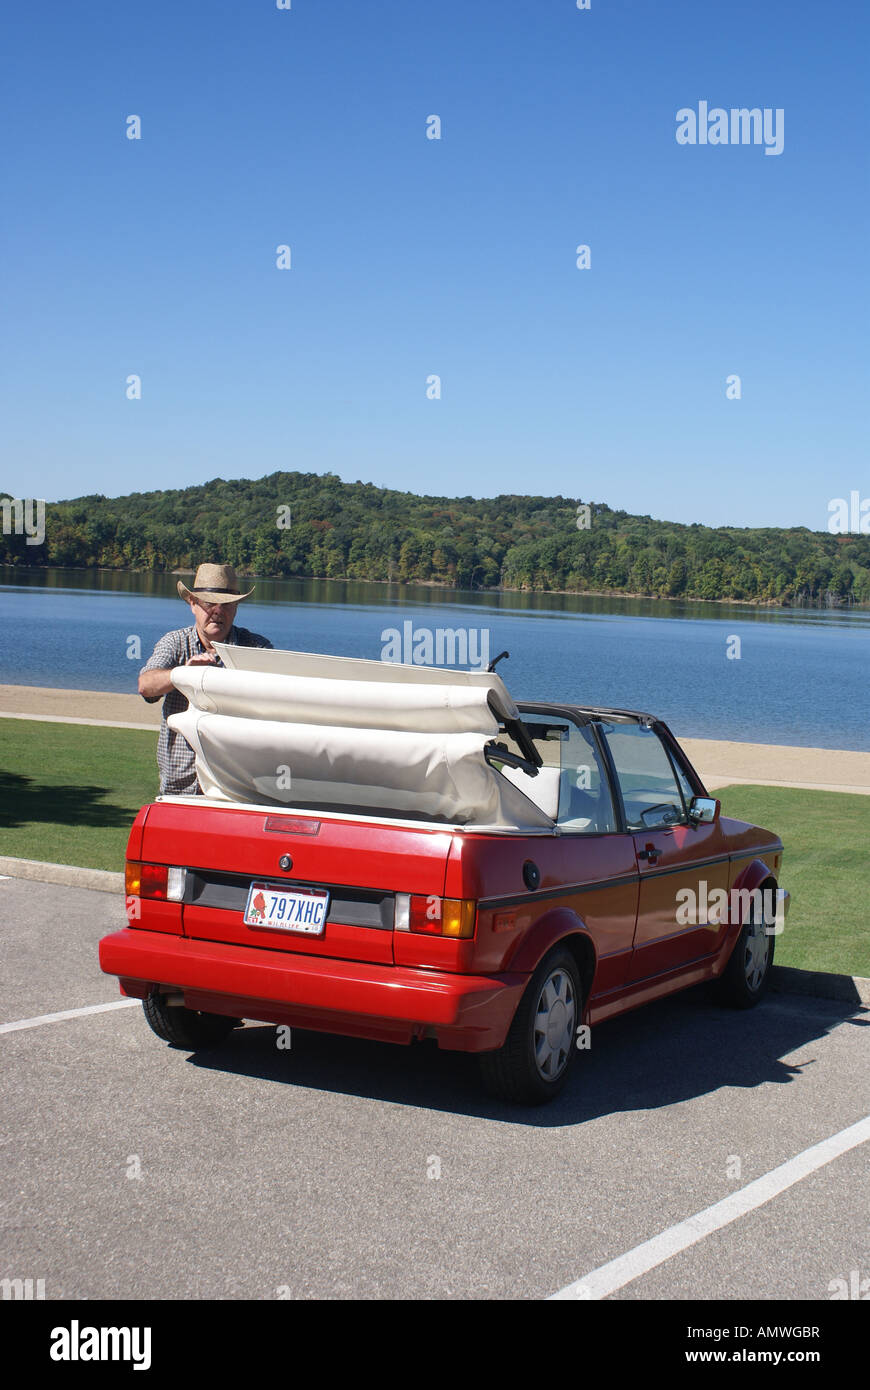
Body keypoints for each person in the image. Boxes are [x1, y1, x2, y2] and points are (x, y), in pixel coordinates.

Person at [138, 562, 273, 796]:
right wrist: (184, 674)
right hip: (180, 785)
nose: (218, 612)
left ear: (236, 609)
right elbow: (146, 686)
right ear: (193, 604)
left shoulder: (255, 647)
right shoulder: (175, 642)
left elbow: (276, 699)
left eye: (227, 605)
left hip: (237, 787)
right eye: (210, 603)